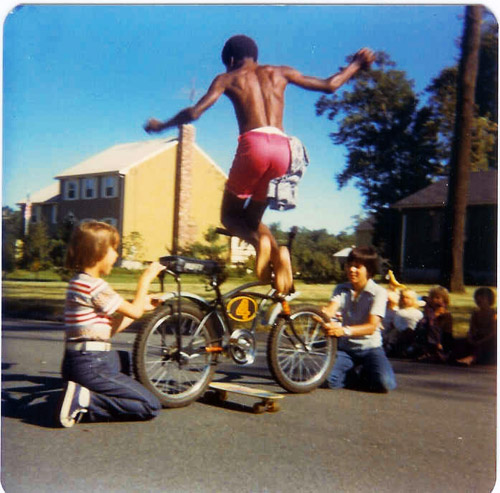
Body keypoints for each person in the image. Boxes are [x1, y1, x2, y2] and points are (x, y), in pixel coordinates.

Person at [144, 34, 375, 294]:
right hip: (284, 150)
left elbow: (195, 112)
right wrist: (356, 64)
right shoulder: (281, 72)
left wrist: (161, 125)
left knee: (230, 215)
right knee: (252, 219)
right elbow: (330, 85)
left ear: (230, 60)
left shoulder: (227, 78)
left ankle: (260, 245)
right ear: (255, 56)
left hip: (254, 146)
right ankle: (280, 258)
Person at [57, 221, 165, 427]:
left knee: (122, 359)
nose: (116, 255)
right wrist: (145, 280)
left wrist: (142, 304)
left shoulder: (79, 282)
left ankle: (83, 394)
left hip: (77, 362)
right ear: (98, 252)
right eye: (113, 249)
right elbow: (133, 310)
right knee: (150, 405)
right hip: (90, 363)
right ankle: (87, 400)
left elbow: (108, 330)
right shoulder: (95, 287)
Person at [314, 246, 396, 393]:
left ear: (369, 270)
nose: (351, 270)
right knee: (326, 380)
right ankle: (353, 372)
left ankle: (361, 371)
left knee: (385, 383)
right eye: (349, 265)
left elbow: (371, 327)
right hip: (346, 349)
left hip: (371, 349)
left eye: (357, 267)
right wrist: (321, 315)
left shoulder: (379, 292)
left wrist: (343, 330)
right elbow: (331, 309)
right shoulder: (341, 288)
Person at [455, 287, 496, 366]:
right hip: (478, 336)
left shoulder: (494, 314)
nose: (479, 300)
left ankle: (471, 358)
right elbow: (471, 329)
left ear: (489, 300)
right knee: (460, 341)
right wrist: (470, 337)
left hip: (489, 339)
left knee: (484, 345)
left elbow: (494, 332)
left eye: (483, 298)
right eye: (477, 297)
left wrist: (481, 341)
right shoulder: (475, 314)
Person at [411, 286, 453, 362]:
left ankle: (436, 353)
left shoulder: (445, 314)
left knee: (432, 328)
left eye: (437, 298)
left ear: (444, 300)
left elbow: (447, 331)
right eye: (432, 298)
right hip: (426, 338)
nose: (434, 300)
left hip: (441, 339)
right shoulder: (429, 312)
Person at [385, 289, 423, 357]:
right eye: (403, 297)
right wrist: (404, 329)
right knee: (394, 334)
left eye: (407, 298)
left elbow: (419, 322)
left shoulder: (418, 313)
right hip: (402, 333)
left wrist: (414, 330)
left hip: (414, 332)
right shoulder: (399, 312)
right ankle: (392, 348)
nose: (405, 299)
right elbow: (397, 323)